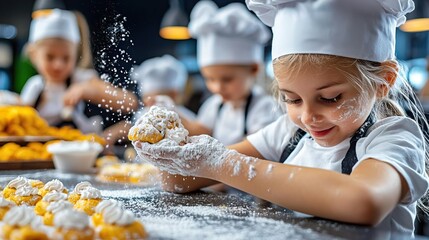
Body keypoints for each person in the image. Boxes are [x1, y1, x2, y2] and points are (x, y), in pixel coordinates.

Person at [134, 0, 429, 236]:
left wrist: (224, 164)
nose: (308, 116)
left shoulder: (394, 138)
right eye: (292, 99)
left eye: (330, 98)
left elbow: (363, 202)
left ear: (383, 82)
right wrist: (171, 157)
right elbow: (179, 180)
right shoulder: (288, 132)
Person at [178, 1, 282, 146]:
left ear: (254, 69)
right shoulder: (214, 105)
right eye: (209, 79)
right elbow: (200, 130)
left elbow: (256, 148)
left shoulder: (264, 107)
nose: (217, 88)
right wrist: (172, 111)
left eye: (226, 79)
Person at [20, 9, 138, 134]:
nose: (58, 65)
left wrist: (87, 90)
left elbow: (130, 103)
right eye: (50, 57)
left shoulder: (82, 78)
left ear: (76, 55)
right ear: (33, 55)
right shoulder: (34, 85)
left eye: (66, 58)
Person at [102, 54, 195, 156]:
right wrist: (114, 133)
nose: (149, 106)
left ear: (173, 95)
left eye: (154, 101)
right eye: (146, 101)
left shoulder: (186, 118)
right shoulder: (145, 113)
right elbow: (134, 127)